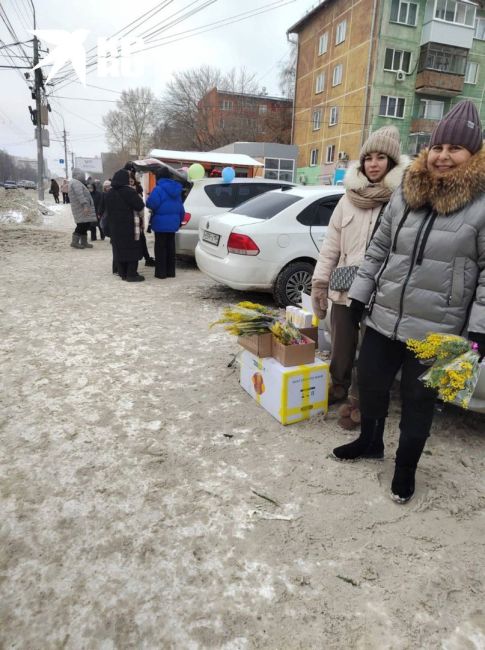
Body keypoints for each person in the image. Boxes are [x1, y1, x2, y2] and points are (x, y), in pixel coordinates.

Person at [332, 100, 485, 504]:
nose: (443, 156)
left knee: (419, 401)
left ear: (473, 154)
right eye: (438, 147)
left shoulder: (481, 206)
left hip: (438, 329)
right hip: (385, 317)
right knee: (371, 383)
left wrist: (478, 330)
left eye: (455, 148)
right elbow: (379, 249)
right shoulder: (405, 193)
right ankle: (370, 442)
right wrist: (359, 297)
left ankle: (405, 470)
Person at [311, 127, 409, 429]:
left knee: (370, 350)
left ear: (392, 163)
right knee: (341, 343)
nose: (374, 164)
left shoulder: (402, 200)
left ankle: (359, 399)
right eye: (369, 158)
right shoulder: (348, 198)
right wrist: (320, 282)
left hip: (380, 291)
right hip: (344, 287)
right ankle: (337, 386)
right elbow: (331, 245)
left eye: (382, 158)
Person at [104, 168, 146, 282]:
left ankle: (122, 273)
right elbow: (140, 205)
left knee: (119, 249)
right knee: (132, 249)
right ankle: (131, 274)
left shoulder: (109, 193)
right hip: (129, 226)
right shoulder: (129, 192)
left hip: (114, 227)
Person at [146, 166, 185, 279]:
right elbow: (180, 207)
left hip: (160, 224)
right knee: (171, 248)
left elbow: (151, 204)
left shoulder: (158, 189)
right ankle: (170, 272)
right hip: (173, 223)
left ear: (158, 177)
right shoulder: (177, 189)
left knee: (160, 248)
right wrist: (179, 220)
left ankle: (161, 273)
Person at [128, 171, 155, 267]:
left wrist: (143, 221)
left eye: (132, 182)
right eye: (129, 182)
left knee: (142, 240)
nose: (130, 184)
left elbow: (141, 207)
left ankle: (147, 258)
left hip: (137, 221)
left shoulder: (137, 190)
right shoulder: (125, 192)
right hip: (130, 222)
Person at [68, 169, 97, 249]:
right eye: (82, 175)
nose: (83, 177)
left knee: (85, 224)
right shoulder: (75, 183)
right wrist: (85, 205)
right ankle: (74, 242)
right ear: (78, 175)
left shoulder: (76, 182)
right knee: (81, 225)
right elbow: (80, 195)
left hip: (81, 208)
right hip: (81, 208)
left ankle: (84, 242)